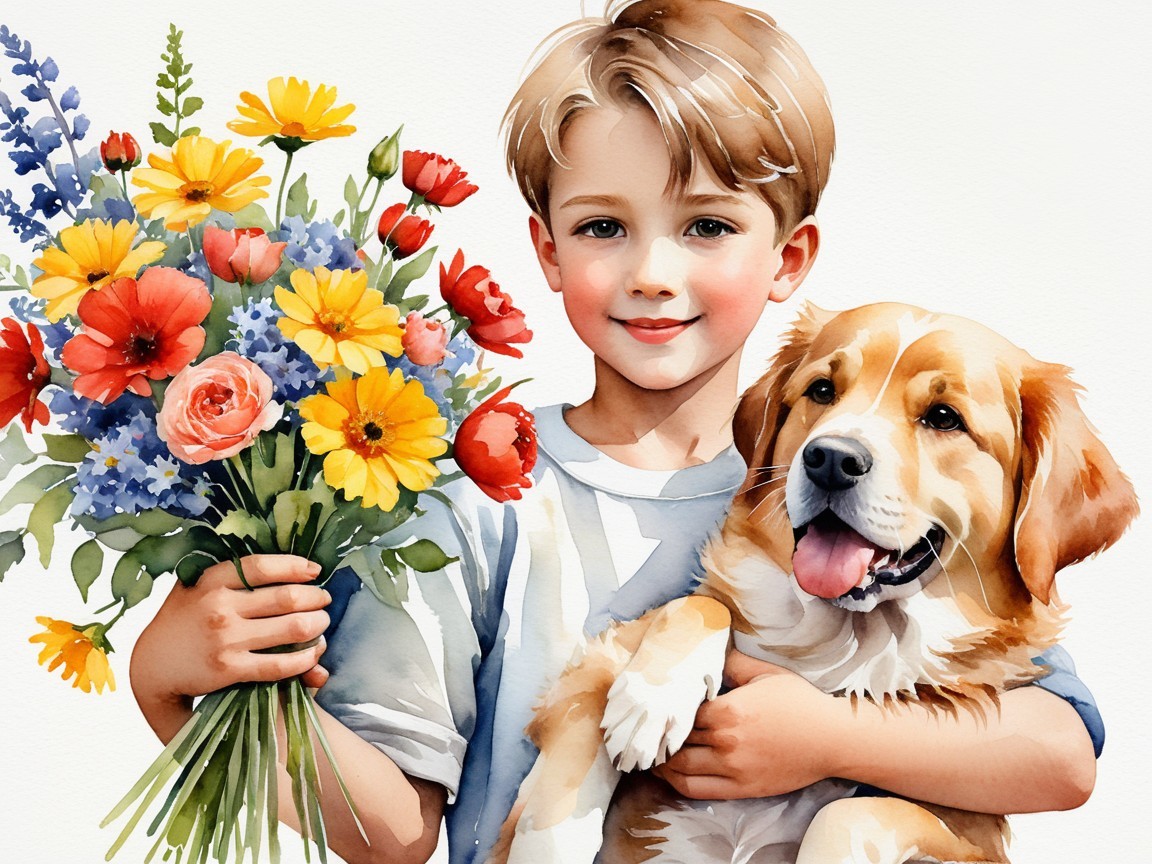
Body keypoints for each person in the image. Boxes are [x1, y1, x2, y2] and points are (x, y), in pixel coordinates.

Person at [130, 2, 1102, 862]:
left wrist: (825, 737)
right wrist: (176, 693)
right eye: (604, 227)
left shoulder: (865, 509)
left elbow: (1058, 756)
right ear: (547, 249)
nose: (652, 272)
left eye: (708, 226)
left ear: (789, 254)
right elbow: (393, 831)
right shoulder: (465, 503)